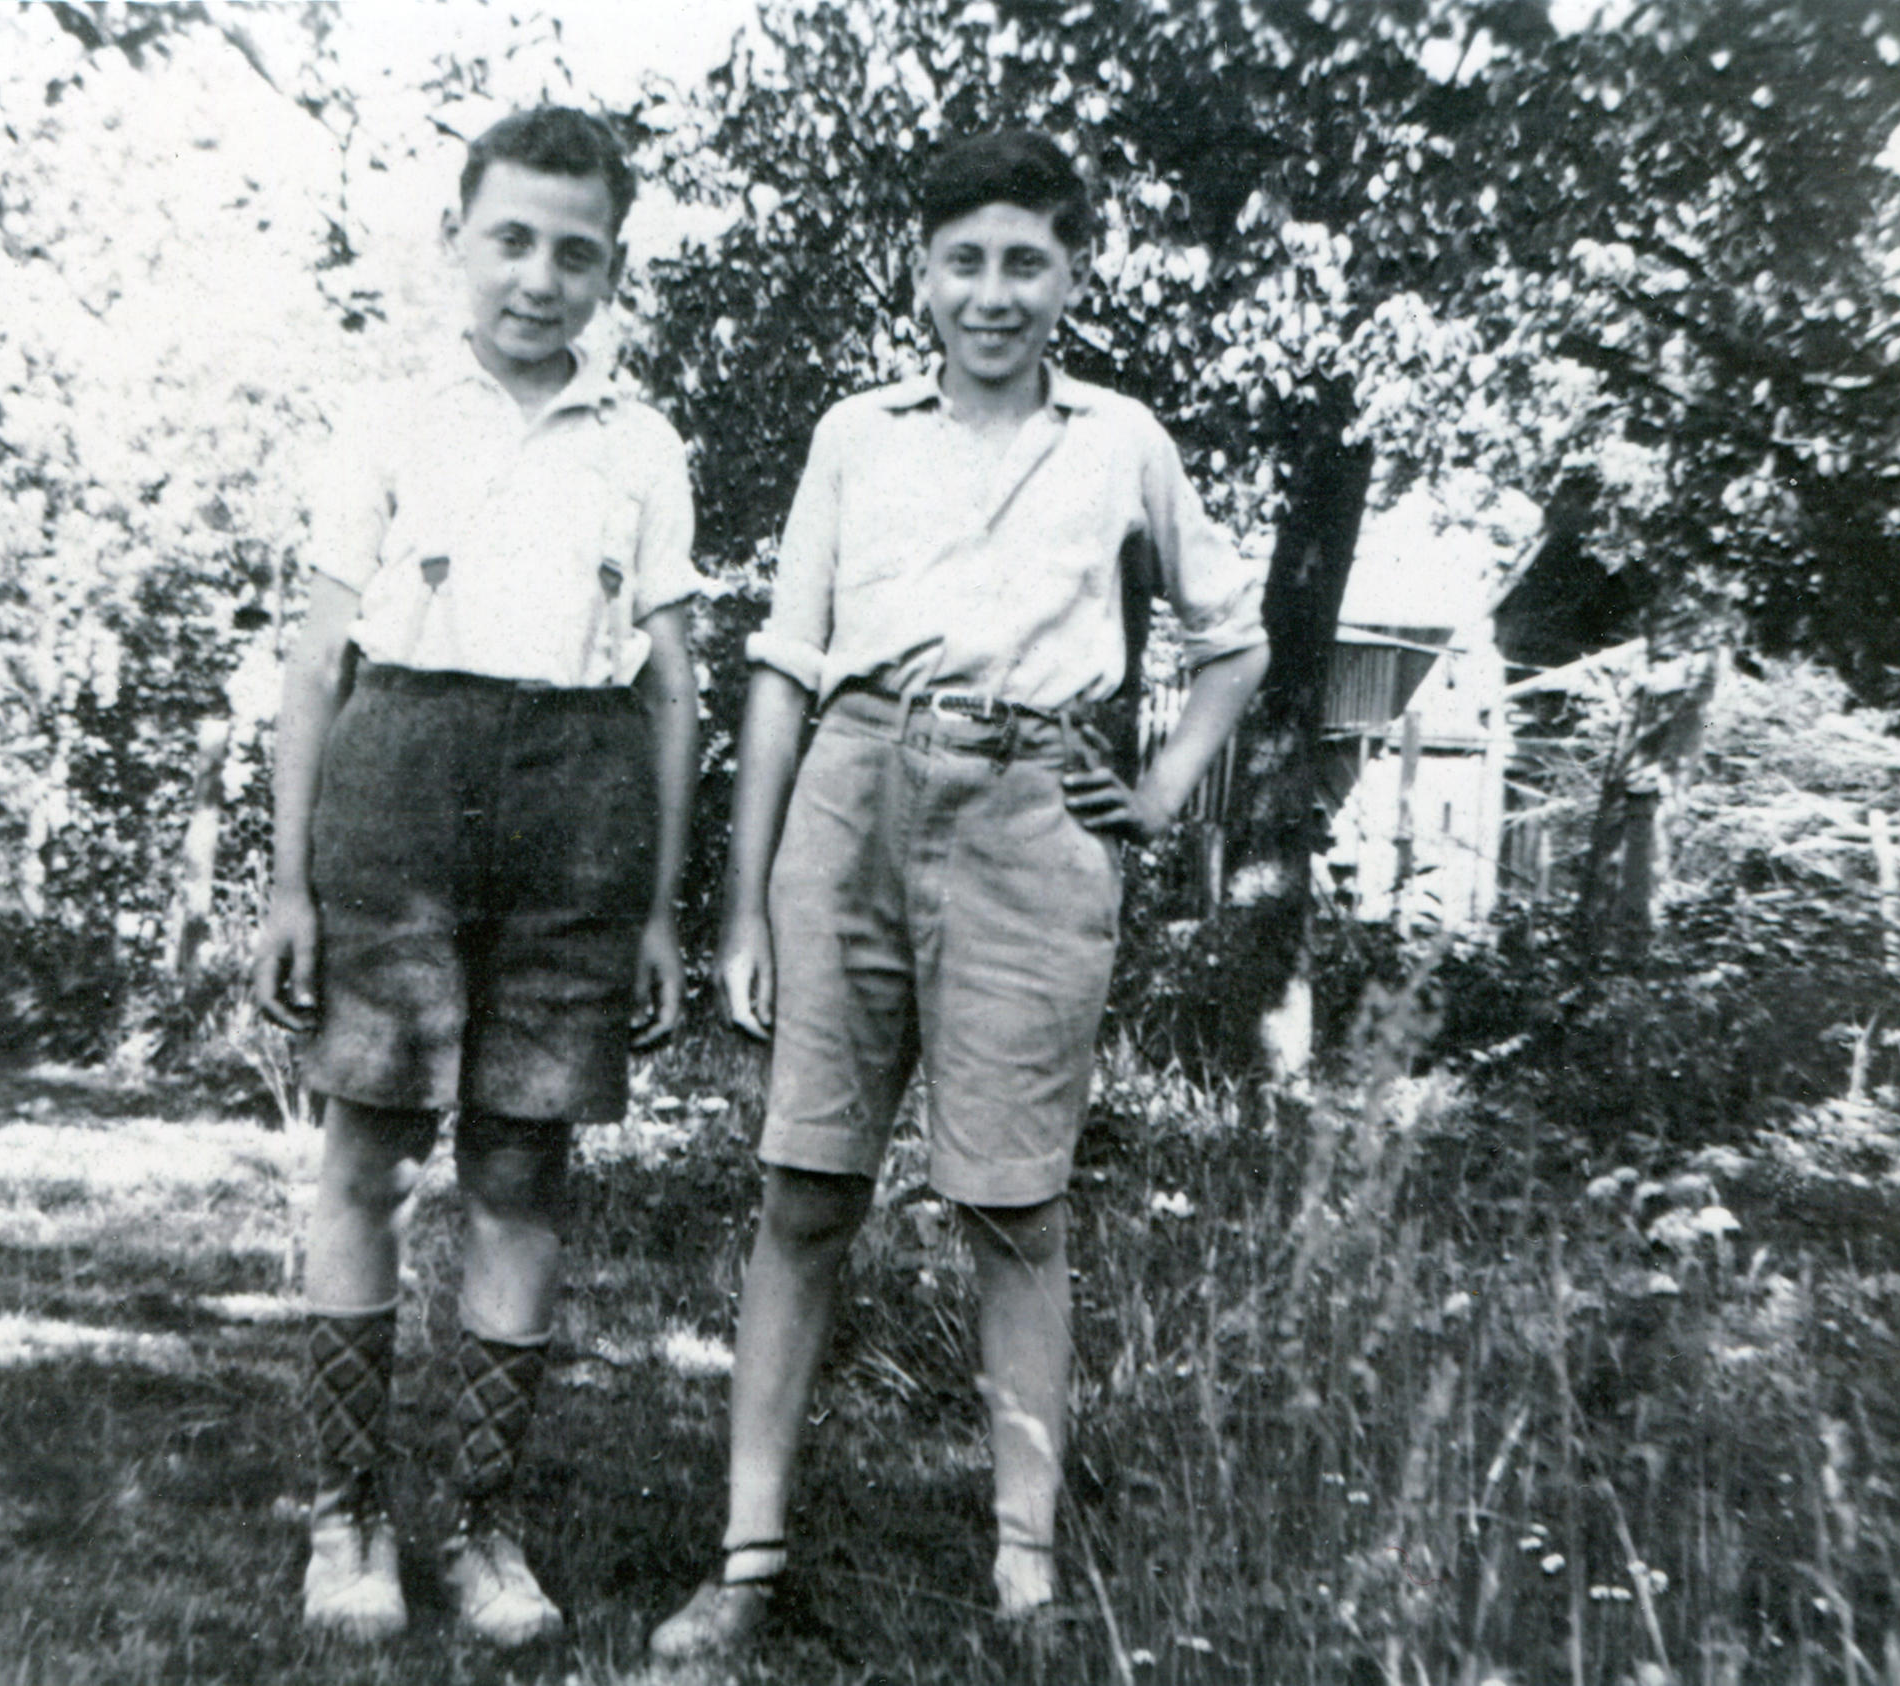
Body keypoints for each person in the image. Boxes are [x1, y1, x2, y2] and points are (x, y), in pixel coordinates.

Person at [648, 127, 1272, 1660]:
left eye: (1027, 262)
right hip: (851, 801)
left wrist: (1167, 785)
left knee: (1014, 1204)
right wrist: (743, 906)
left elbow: (1234, 639)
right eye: (965, 262)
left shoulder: (1122, 436)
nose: (993, 293)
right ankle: (746, 1563)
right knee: (805, 1187)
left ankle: (1025, 1570)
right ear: (918, 274)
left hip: (1033, 819)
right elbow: (786, 670)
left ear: (1072, 275)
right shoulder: (857, 434)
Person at [255, 105, 700, 1647]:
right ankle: (347, 1513)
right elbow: (318, 662)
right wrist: (290, 885)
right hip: (397, 791)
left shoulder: (641, 440)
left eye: (577, 252)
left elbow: (672, 685)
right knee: (368, 1156)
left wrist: (658, 904)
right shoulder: (391, 423)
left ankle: (484, 1528)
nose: (539, 277)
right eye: (511, 239)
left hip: (577, 813)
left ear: (610, 268)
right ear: (458, 238)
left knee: (522, 1171)